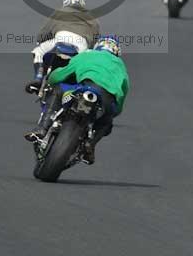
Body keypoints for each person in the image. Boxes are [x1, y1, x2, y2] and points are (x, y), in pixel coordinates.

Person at [25, 34, 129, 165]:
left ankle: (42, 128)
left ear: (98, 46)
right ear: (117, 52)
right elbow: (122, 96)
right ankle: (89, 146)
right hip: (106, 100)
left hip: (85, 87)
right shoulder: (121, 67)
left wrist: (51, 79)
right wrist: (113, 112)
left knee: (57, 91)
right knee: (106, 123)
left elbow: (61, 74)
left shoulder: (87, 55)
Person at [25, 0, 100, 92]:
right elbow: (95, 41)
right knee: (86, 65)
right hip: (81, 45)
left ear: (66, 1)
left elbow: (44, 33)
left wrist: (41, 41)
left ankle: (38, 79)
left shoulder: (60, 11)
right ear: (81, 2)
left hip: (61, 39)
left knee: (38, 51)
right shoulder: (92, 17)